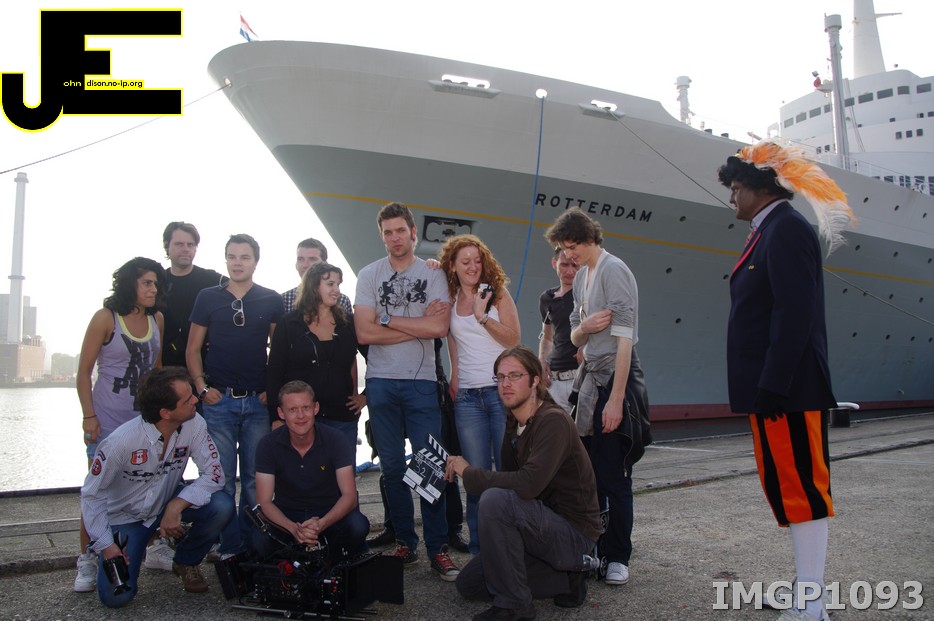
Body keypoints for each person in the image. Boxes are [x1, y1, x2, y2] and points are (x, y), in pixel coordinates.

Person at [718, 142, 852, 621]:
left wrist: (775, 383)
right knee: (785, 488)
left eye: (736, 188)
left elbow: (795, 313)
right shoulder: (769, 230)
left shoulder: (787, 229)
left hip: (789, 390)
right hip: (776, 390)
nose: (731, 198)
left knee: (802, 491)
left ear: (761, 188)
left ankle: (812, 605)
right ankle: (805, 588)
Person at [448, 346, 602, 621]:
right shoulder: (513, 423)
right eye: (500, 377)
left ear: (535, 381)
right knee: (469, 584)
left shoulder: (553, 421)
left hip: (572, 533)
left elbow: (528, 484)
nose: (505, 383)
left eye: (515, 376)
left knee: (494, 500)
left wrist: (470, 473)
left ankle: (516, 605)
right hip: (537, 529)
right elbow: (511, 487)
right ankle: (568, 576)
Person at [353, 201, 459, 581]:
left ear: (413, 233)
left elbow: (439, 328)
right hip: (381, 382)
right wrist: (415, 325)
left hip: (422, 383)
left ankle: (438, 548)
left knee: (429, 466)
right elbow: (363, 332)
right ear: (381, 236)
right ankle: (405, 542)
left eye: (401, 230)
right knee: (393, 468)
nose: (395, 238)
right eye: (388, 232)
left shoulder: (433, 273)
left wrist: (385, 319)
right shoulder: (369, 274)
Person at [545, 207, 651, 588]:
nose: (568, 254)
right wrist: (586, 327)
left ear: (590, 239)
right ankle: (596, 549)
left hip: (614, 378)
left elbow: (625, 340)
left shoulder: (613, 270)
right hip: (590, 379)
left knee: (614, 473)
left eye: (573, 246)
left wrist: (616, 399)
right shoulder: (582, 276)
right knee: (590, 472)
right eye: (563, 248)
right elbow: (574, 334)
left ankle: (619, 555)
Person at [80, 366, 234, 607]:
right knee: (116, 598)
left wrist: (176, 505)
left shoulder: (195, 424)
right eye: (187, 399)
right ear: (165, 413)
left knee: (222, 506)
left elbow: (215, 475)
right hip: (127, 517)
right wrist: (107, 546)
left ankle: (186, 560)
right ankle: (121, 550)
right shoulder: (120, 442)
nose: (196, 400)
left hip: (164, 503)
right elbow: (91, 495)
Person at [186, 233, 284, 559]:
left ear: (256, 262)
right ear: (225, 259)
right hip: (219, 402)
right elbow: (193, 349)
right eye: (232, 256)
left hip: (257, 402)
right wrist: (201, 389)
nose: (238, 263)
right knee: (223, 480)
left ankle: (253, 549)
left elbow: (278, 352)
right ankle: (229, 549)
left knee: (256, 480)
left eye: (244, 257)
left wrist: (271, 389)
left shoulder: (270, 299)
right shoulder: (207, 297)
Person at [74, 257, 166, 593]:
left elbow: (157, 373)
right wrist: (89, 416)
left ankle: (153, 547)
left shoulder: (157, 319)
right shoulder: (106, 318)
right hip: (108, 423)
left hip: (144, 424)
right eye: (147, 283)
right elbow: (84, 372)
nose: (153, 289)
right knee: (98, 492)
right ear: (131, 284)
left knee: (149, 486)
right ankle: (87, 558)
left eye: (156, 284)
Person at [437, 234, 520, 555]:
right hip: (468, 398)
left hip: (501, 394)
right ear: (453, 266)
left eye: (477, 260)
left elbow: (513, 339)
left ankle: (510, 547)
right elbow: (453, 338)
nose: (472, 267)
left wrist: (482, 316)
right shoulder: (452, 296)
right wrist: (455, 374)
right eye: (465, 261)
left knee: (506, 473)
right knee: (473, 477)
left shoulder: (496, 293)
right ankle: (480, 553)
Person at [253, 380, 369, 561]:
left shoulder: (336, 439)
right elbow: (264, 501)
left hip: (328, 512)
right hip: (287, 513)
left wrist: (321, 524)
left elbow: (349, 496)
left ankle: (334, 562)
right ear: (281, 413)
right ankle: (291, 565)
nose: (300, 416)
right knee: (257, 541)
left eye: (306, 408)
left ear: (316, 408)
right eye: (293, 410)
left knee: (358, 525)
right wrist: (293, 528)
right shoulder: (267, 444)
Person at [267, 262, 365, 450]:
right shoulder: (289, 324)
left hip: (342, 419)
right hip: (300, 421)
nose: (336, 290)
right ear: (313, 286)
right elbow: (274, 372)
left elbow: (376, 358)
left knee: (343, 468)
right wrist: (275, 417)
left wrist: (365, 396)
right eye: (330, 284)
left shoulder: (348, 323)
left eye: (338, 284)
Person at [160, 222, 224, 368]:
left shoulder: (213, 280)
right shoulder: (156, 281)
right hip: (164, 366)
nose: (185, 249)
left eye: (191, 245)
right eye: (179, 244)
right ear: (167, 245)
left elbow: (242, 296)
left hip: (204, 365)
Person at [538, 246, 581, 413]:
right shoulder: (546, 298)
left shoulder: (589, 296)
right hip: (555, 381)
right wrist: (542, 359)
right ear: (554, 263)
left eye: (575, 265)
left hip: (582, 378)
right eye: (564, 265)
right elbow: (547, 336)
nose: (570, 271)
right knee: (553, 427)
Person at [281, 237, 352, 316]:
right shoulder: (284, 299)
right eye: (300, 259)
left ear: (325, 264)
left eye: (312, 259)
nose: (305, 265)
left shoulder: (342, 301)